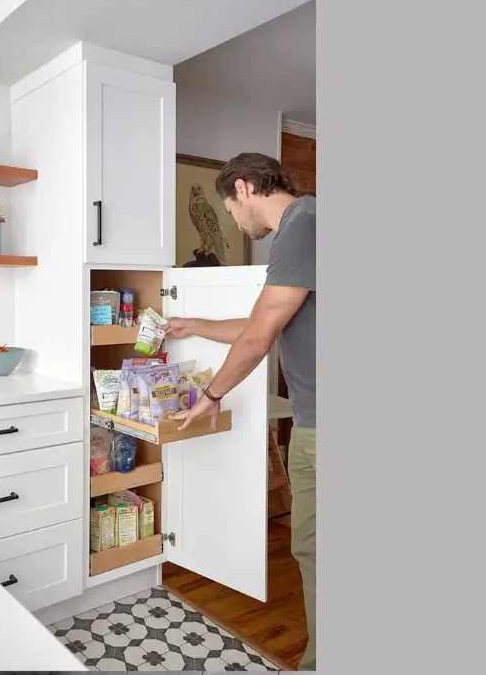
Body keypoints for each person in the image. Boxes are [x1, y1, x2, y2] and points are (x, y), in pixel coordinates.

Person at [167, 152, 316, 671]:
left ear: (247, 188)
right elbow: (263, 324)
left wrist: (210, 396)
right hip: (312, 421)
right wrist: (193, 325)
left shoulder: (303, 225)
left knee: (318, 548)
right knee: (311, 548)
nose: (233, 220)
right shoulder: (301, 229)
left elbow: (258, 337)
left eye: (230, 207)